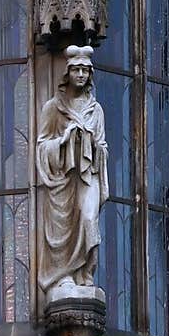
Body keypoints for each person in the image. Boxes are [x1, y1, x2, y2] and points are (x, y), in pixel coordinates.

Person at [36, 44, 109, 296]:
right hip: (63, 179)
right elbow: (42, 146)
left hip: (88, 176)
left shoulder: (96, 110)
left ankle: (85, 272)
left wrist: (91, 144)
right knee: (64, 226)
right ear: (68, 73)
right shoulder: (53, 108)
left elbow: (103, 147)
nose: (81, 75)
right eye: (76, 70)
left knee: (89, 218)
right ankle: (63, 276)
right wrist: (64, 140)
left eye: (85, 71)